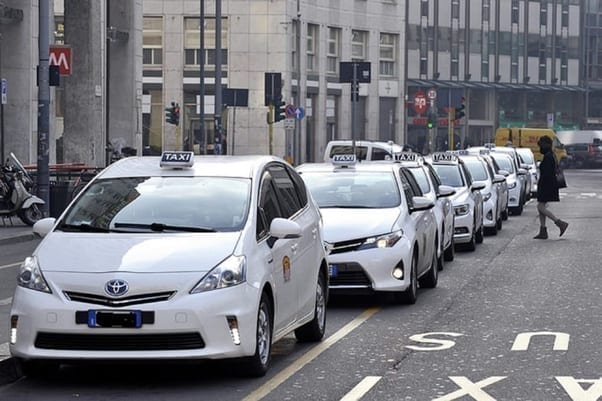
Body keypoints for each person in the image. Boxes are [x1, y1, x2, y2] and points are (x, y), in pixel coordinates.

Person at [533, 135, 569, 239]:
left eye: (541, 145)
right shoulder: (550, 154)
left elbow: (547, 173)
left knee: (540, 207)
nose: (540, 148)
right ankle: (543, 230)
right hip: (547, 185)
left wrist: (541, 184)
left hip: (547, 185)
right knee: (541, 207)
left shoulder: (549, 156)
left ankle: (559, 223)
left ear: (546, 145)